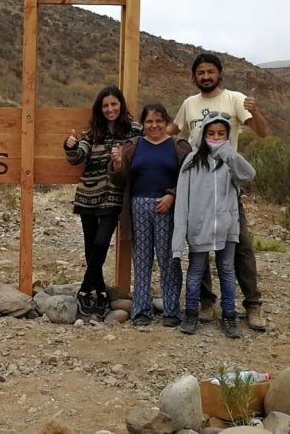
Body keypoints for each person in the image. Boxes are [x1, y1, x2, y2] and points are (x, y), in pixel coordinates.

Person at [167, 53, 270, 331]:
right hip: (198, 181)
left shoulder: (235, 100)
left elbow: (261, 132)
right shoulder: (189, 104)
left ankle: (252, 304)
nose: (205, 77)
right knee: (198, 240)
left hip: (226, 184)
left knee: (241, 246)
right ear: (194, 76)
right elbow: (171, 132)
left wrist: (255, 110)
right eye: (200, 73)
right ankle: (206, 301)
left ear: (219, 74)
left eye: (210, 72)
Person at [172, 111, 256, 338]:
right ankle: (191, 312)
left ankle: (229, 315)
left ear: (228, 135)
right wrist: (179, 239)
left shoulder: (231, 160)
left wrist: (229, 154)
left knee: (227, 270)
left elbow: (249, 176)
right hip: (199, 227)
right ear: (203, 134)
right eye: (211, 133)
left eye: (221, 133)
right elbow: (182, 199)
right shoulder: (191, 161)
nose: (216, 137)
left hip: (227, 227)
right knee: (196, 269)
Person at [109, 104, 191, 327]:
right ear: (143, 124)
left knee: (168, 259)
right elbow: (119, 179)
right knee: (142, 259)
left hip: (168, 207)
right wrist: (117, 164)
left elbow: (189, 179)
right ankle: (141, 310)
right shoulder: (133, 146)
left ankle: (172, 310)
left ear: (167, 123)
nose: (154, 125)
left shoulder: (179, 147)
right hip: (138, 206)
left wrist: (172, 196)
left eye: (159, 121)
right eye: (149, 121)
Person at [65, 85, 142, 317]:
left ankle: (85, 287)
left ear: (121, 104)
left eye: (114, 104)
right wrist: (70, 146)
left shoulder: (134, 130)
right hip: (87, 194)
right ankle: (99, 291)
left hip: (113, 196)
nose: (110, 109)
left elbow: (140, 158)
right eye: (105, 105)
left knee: (100, 243)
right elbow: (77, 158)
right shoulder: (93, 132)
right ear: (100, 108)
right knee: (90, 246)